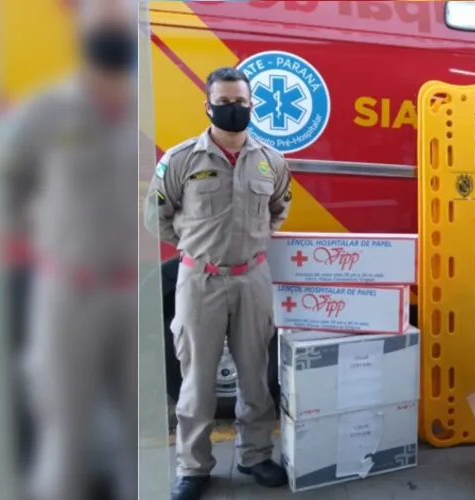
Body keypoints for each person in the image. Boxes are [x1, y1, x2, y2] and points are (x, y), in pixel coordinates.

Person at [0, 0, 138, 499]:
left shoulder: (145, 109)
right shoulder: (44, 110)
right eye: (105, 24)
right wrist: (52, 242)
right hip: (68, 295)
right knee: (66, 438)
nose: (114, 34)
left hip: (132, 297)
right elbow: (4, 188)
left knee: (136, 441)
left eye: (122, 24)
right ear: (82, 29)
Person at [144, 67, 292, 500]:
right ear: (208, 105)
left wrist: (252, 244)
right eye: (224, 102)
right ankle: (193, 468)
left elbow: (279, 208)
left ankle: (256, 456)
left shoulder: (271, 160)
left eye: (241, 103)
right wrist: (196, 247)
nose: (233, 109)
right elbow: (157, 216)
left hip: (253, 278)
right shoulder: (182, 159)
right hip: (200, 279)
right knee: (197, 379)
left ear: (252, 105)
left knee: (255, 376)